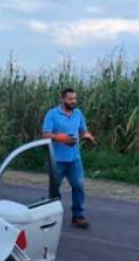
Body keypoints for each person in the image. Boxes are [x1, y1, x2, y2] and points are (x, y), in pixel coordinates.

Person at [43, 88, 97, 228]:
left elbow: (83, 131)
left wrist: (87, 136)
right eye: (70, 99)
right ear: (62, 99)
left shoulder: (78, 114)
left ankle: (78, 216)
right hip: (56, 160)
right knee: (55, 189)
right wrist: (62, 138)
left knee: (78, 186)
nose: (73, 101)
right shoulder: (52, 114)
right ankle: (53, 217)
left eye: (75, 99)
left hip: (74, 159)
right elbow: (46, 135)